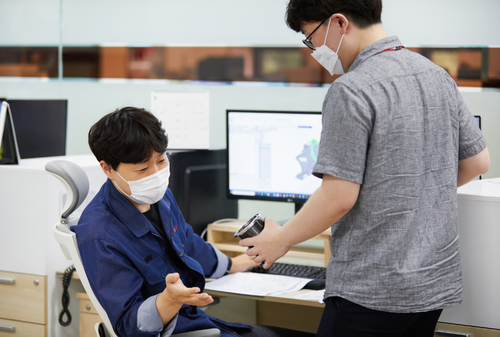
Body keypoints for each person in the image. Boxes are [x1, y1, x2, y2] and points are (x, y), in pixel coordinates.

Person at [239, 1, 491, 336]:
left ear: (339, 23)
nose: (316, 50)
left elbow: (339, 196)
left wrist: (280, 240)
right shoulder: (435, 75)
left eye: (311, 37)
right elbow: (477, 162)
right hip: (432, 284)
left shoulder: (352, 88)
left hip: (372, 290)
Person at [75, 107, 315, 337]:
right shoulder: (100, 234)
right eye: (142, 169)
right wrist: (168, 300)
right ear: (107, 169)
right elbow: (128, 326)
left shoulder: (158, 196)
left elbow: (186, 240)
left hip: (201, 322)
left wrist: (233, 264)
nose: (156, 174)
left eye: (161, 161)